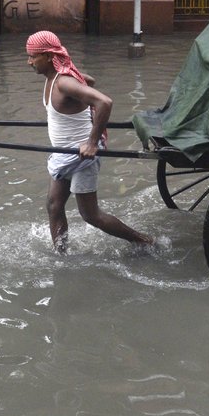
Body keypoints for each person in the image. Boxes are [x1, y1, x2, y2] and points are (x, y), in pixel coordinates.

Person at [25, 31, 153, 253]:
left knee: (90, 216)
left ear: (47, 56)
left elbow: (104, 102)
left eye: (32, 56)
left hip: (83, 155)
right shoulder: (54, 79)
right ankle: (61, 256)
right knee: (54, 206)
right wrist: (71, 72)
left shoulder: (63, 83)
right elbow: (89, 82)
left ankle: (142, 241)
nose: (28, 62)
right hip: (63, 154)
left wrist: (92, 142)